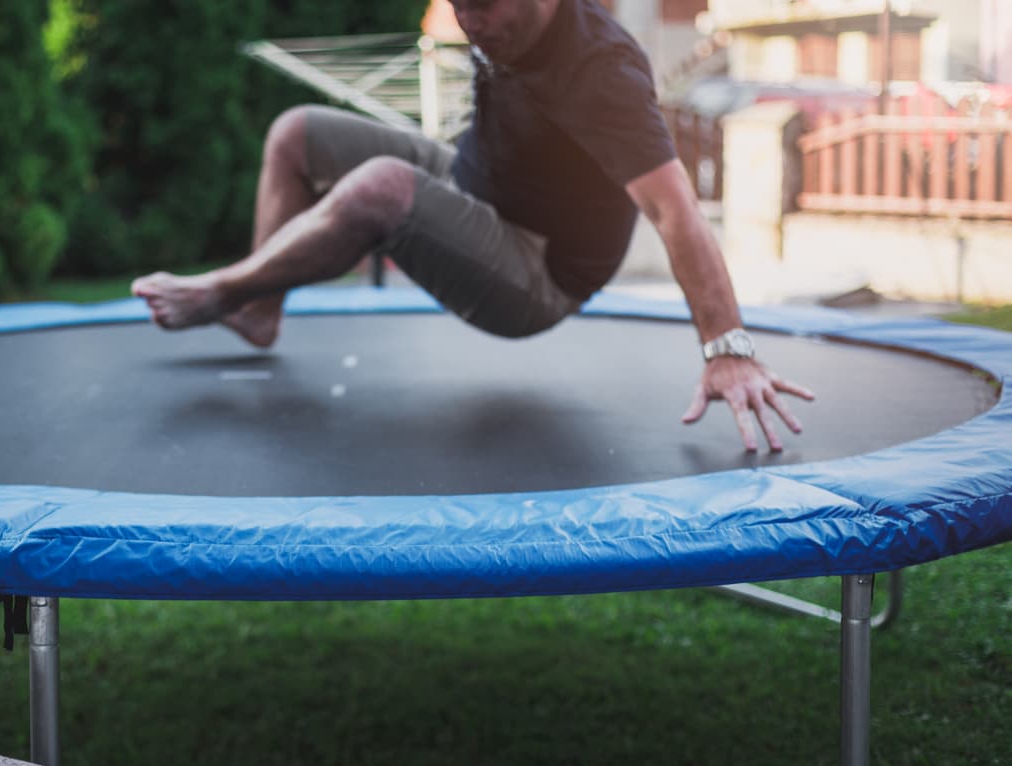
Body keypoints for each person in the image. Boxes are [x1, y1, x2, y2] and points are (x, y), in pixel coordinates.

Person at [132, 0, 814, 452]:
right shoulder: (487, 17)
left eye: (487, 5)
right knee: (294, 134)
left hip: (535, 270)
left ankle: (221, 292)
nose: (474, 23)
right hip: (472, 183)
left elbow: (674, 210)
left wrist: (727, 346)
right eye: (462, 6)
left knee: (380, 188)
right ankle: (259, 312)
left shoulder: (599, 69)